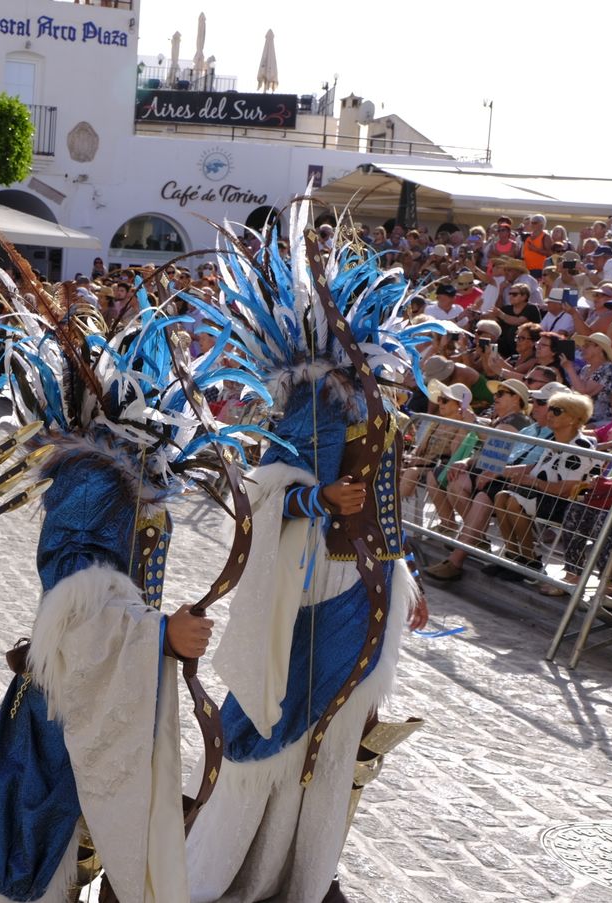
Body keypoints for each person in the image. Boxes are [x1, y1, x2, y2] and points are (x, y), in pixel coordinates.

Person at [0, 257, 241, 903]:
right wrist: (160, 634)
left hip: (115, 697)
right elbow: (72, 598)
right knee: (39, 845)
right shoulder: (93, 471)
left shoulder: (132, 465)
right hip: (68, 707)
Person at [186, 210, 430, 903]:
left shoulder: (374, 399)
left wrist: (404, 573)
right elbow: (264, 491)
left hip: (371, 582)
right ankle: (233, 870)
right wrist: (317, 499)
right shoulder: (313, 402)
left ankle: (306, 872)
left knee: (337, 740)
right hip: (316, 586)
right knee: (279, 733)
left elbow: (383, 498)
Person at [422, 383, 556, 582]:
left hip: (528, 485)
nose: (534, 405)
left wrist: (496, 470)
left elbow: (534, 465)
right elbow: (497, 454)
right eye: (535, 401)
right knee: (458, 480)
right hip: (504, 477)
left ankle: (458, 558)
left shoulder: (534, 427)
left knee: (483, 494)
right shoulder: (531, 428)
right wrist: (466, 461)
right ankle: (476, 545)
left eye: (541, 403)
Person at [489, 392, 600, 576]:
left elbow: (568, 489)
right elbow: (538, 466)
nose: (549, 414)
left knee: (515, 501)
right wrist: (504, 471)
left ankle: (529, 560)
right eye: (550, 409)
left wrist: (532, 481)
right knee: (502, 497)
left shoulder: (580, 446)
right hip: (543, 495)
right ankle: (513, 556)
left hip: (566, 503)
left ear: (573, 419)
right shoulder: (554, 440)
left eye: (557, 411)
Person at [561, 333, 612, 426]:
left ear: (599, 348)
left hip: (602, 421)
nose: (582, 349)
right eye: (582, 346)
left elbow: (584, 391)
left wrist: (569, 368)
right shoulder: (585, 369)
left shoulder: (608, 367)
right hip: (583, 417)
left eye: (587, 346)